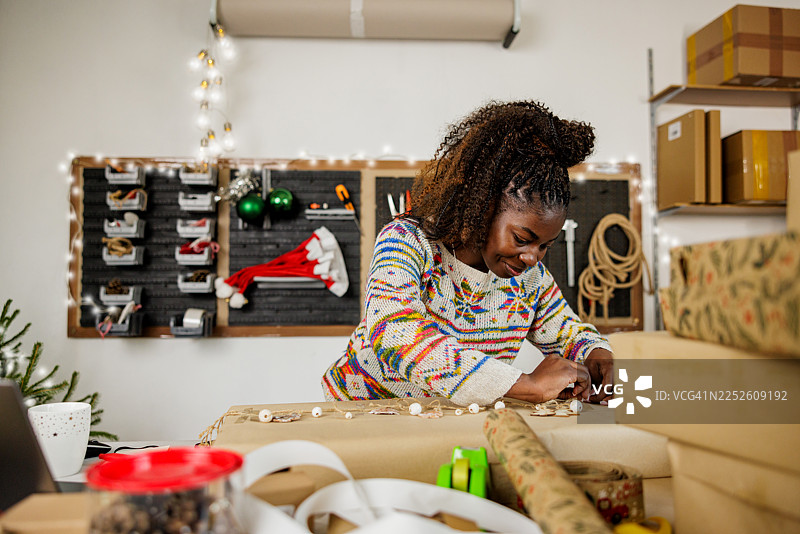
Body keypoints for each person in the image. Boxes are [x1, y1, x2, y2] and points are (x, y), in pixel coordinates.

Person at [321, 100, 614, 407]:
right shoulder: (407, 243)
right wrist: (525, 385)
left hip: (446, 421)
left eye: (544, 246)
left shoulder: (529, 279)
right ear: (484, 205)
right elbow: (395, 332)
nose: (532, 257)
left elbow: (569, 332)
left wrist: (597, 355)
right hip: (361, 412)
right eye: (522, 238)